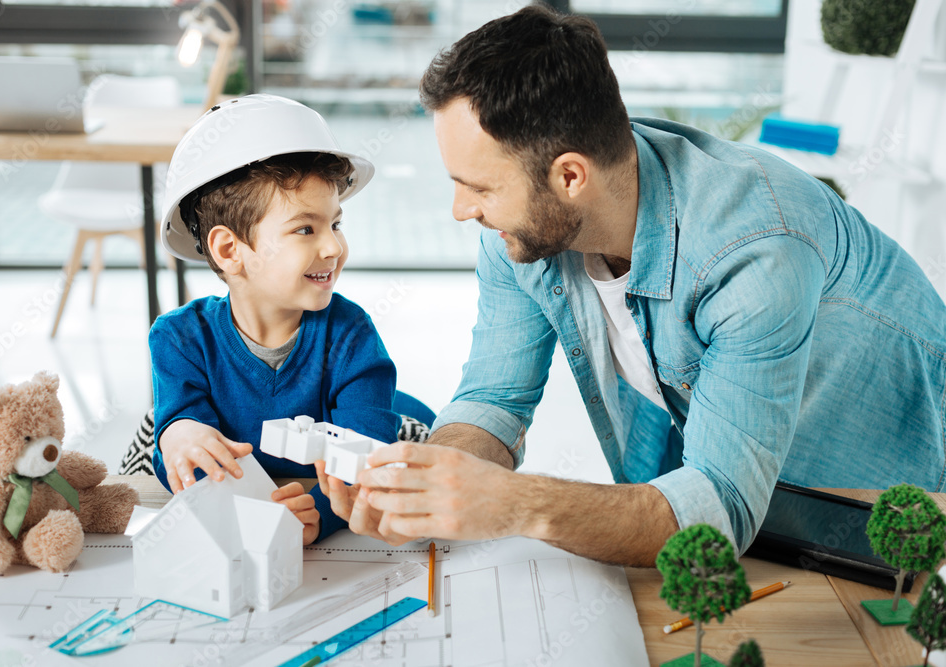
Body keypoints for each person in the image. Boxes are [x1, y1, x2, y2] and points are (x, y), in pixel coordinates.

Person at [317, 6, 946, 565]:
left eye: (479, 187)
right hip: (752, 497)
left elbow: (719, 511)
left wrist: (516, 503)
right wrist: (428, 480)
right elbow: (495, 399)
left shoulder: (754, 255)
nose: (460, 210)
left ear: (570, 177)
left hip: (884, 505)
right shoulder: (521, 230)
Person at [151, 94, 421, 544]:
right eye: (305, 229)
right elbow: (179, 460)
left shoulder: (351, 335)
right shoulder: (179, 339)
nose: (334, 247)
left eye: (335, 223)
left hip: (369, 446)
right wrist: (178, 436)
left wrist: (320, 515)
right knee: (157, 431)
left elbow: (367, 461)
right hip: (250, 490)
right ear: (229, 250)